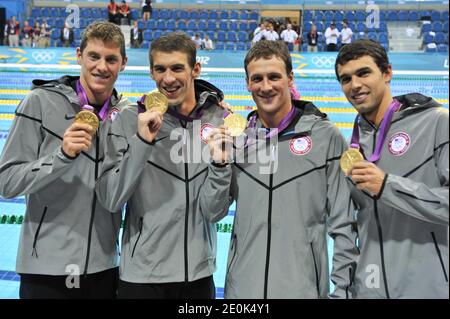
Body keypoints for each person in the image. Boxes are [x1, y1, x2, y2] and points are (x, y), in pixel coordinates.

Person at [206, 40, 358, 298]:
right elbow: (212, 212)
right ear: (247, 83)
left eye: (274, 77)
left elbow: (345, 223)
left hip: (302, 290)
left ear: (290, 78)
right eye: (257, 79)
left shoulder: (324, 136)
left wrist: (343, 290)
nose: (266, 87)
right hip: (242, 291)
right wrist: (220, 163)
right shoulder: (238, 138)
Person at [95, 32, 232, 299]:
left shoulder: (220, 121)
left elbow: (215, 212)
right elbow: (111, 199)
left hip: (198, 276)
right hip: (141, 277)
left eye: (177, 68)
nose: (168, 79)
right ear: (151, 72)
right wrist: (141, 142)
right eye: (160, 69)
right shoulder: (129, 119)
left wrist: (220, 163)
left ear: (196, 69)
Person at [0, 21, 129, 299]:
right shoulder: (39, 102)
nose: (101, 67)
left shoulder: (126, 114)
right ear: (78, 55)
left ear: (124, 63)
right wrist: (61, 156)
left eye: (111, 59)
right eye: (93, 56)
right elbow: (6, 181)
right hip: (46, 269)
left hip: (103, 268)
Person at [335, 39, 449, 298]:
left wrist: (389, 187)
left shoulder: (436, 122)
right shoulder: (355, 142)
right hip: (369, 290)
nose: (355, 85)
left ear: (387, 73)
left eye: (364, 73)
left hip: (426, 288)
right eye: (345, 79)